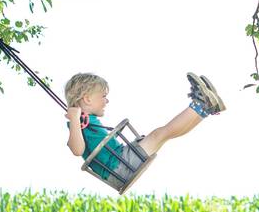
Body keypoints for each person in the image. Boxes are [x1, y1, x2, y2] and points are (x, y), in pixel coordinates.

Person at [64, 71, 224, 182]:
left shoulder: (85, 119)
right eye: (103, 96)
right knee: (159, 134)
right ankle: (201, 103)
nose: (106, 101)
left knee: (164, 135)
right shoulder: (76, 121)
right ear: (87, 99)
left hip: (120, 161)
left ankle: (204, 109)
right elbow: (77, 150)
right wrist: (74, 119)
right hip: (118, 166)